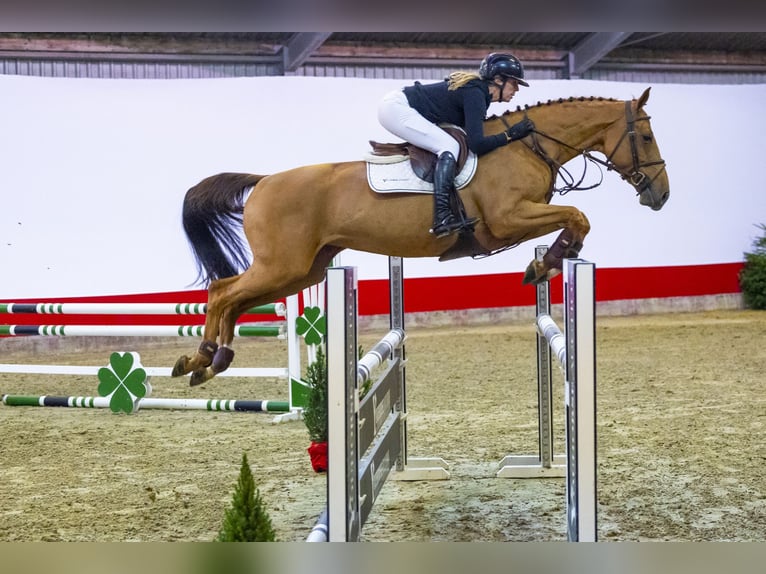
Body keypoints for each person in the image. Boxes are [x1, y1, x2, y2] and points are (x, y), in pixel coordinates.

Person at [378, 52, 535, 238]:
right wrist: (509, 135)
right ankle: (442, 217)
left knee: (450, 144)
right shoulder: (476, 94)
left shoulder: (478, 93)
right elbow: (476, 144)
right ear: (498, 80)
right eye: (514, 83)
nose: (516, 89)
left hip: (397, 105)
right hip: (396, 109)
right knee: (449, 146)